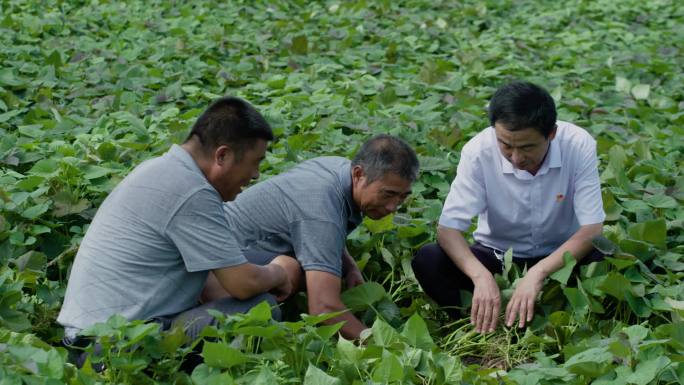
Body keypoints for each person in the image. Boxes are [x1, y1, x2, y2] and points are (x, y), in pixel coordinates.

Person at [58, 97, 300, 346]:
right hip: (113, 346)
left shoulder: (163, 168)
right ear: (223, 156)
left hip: (93, 335)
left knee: (250, 270)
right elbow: (242, 284)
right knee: (259, 310)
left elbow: (218, 280)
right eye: (255, 162)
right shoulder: (191, 191)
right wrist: (279, 273)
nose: (256, 175)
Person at [411, 81, 605, 334]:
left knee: (605, 258)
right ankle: (476, 323)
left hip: (561, 258)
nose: (516, 158)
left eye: (527, 147)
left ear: (551, 134)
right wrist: (481, 277)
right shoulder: (478, 152)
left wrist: (538, 273)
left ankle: (557, 322)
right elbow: (448, 230)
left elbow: (592, 229)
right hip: (497, 256)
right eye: (506, 145)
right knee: (429, 259)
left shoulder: (578, 145)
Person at [202, 134, 419, 339]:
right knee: (290, 272)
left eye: (402, 197)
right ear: (359, 174)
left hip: (213, 242)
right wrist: (384, 348)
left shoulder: (337, 168)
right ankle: (219, 301)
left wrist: (349, 266)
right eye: (388, 194)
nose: (393, 207)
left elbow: (324, 230)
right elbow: (323, 308)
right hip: (217, 264)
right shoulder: (322, 206)